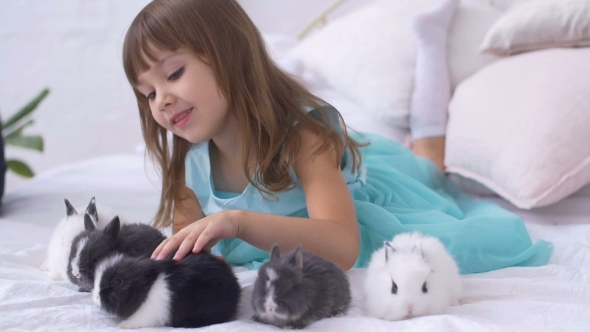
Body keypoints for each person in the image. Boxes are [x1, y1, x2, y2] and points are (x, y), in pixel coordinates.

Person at [122, 0, 552, 273]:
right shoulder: (187, 170)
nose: (161, 100)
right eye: (148, 93)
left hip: (375, 192)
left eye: (174, 74)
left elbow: (344, 246)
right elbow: (184, 259)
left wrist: (239, 221)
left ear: (230, 55)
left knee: (431, 168)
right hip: (339, 172)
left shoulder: (304, 138)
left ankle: (431, 45)